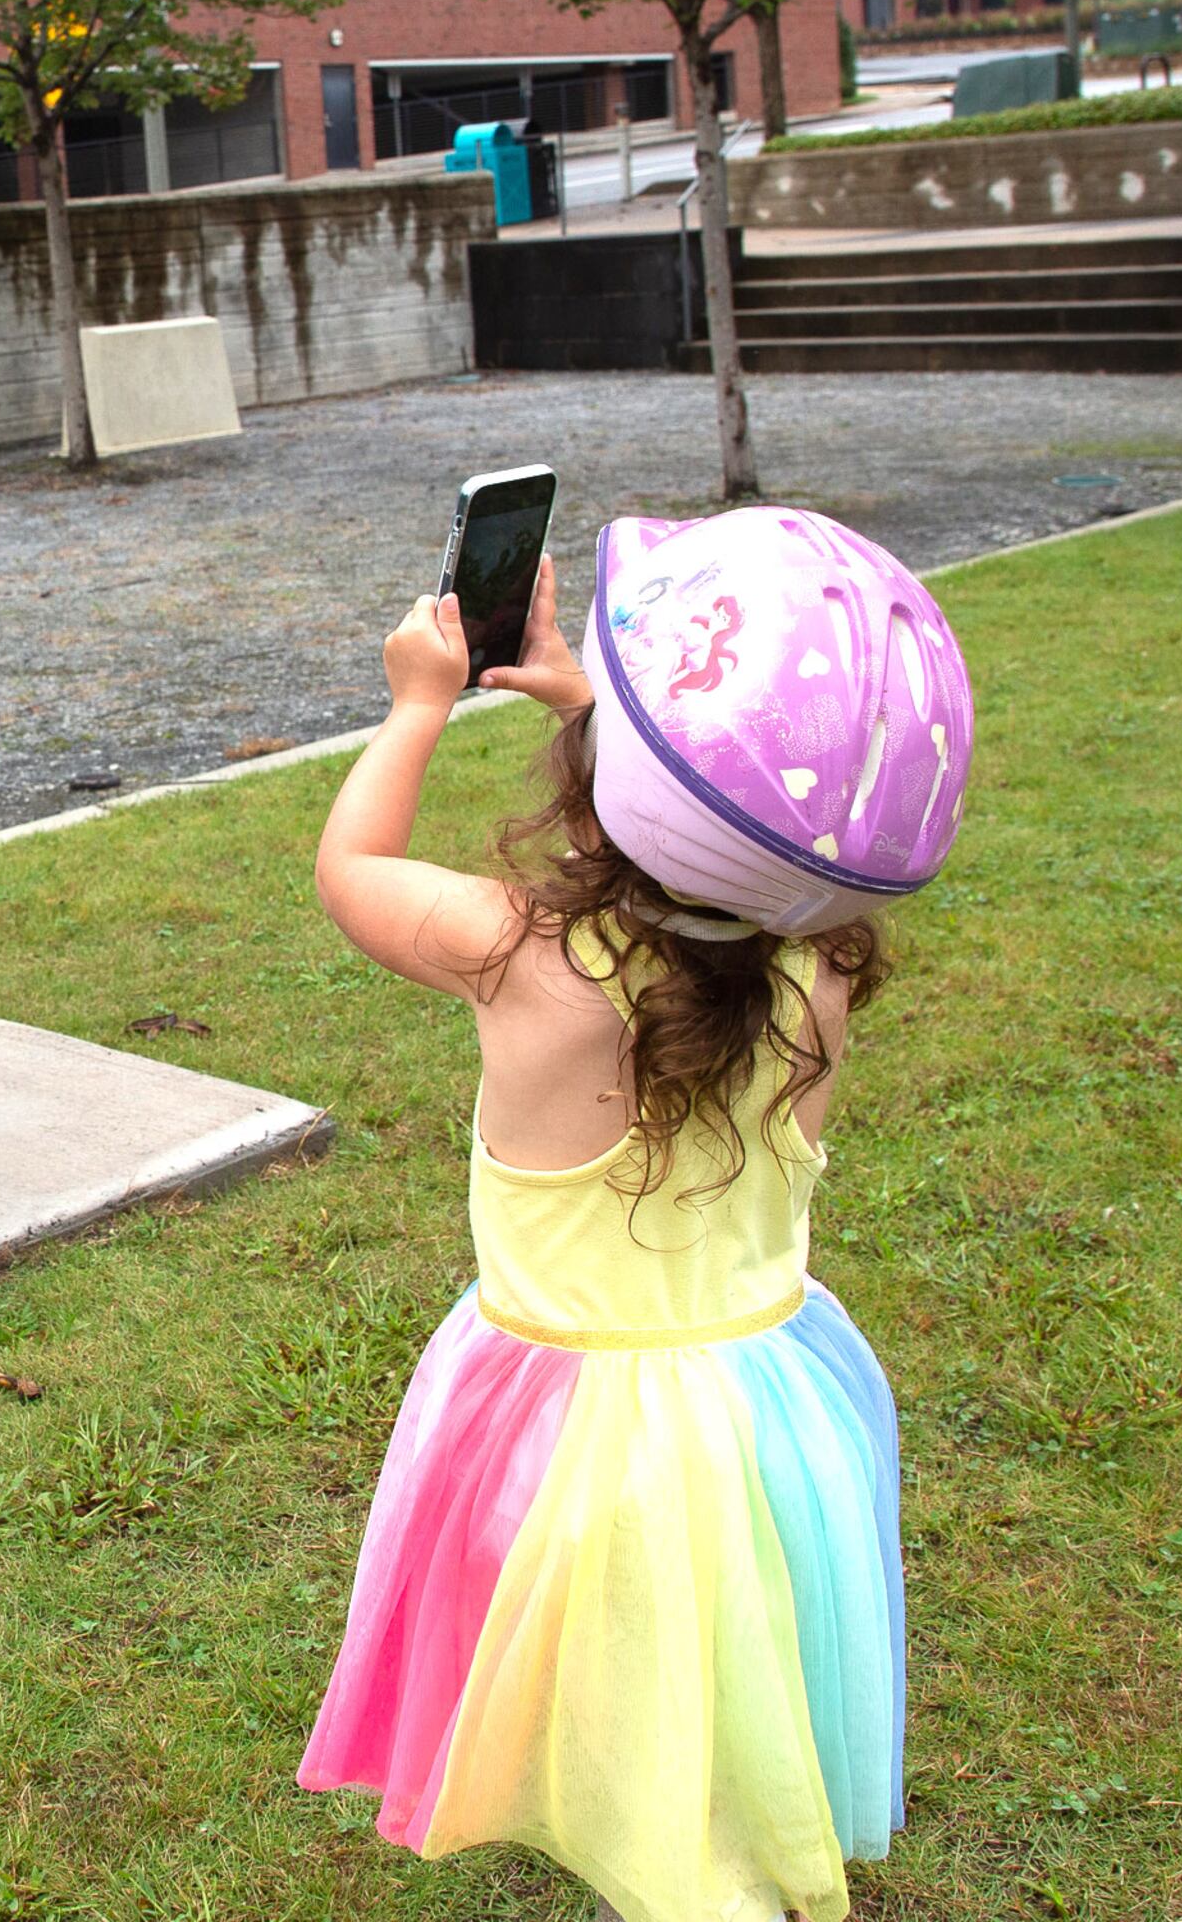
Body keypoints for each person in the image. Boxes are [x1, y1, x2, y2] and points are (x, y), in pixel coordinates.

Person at [296, 507, 976, 1922]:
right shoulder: (821, 972)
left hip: (565, 1441)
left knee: (616, 1692)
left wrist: (419, 705)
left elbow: (350, 870)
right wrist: (588, 694)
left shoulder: (521, 951)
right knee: (723, 1682)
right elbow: (739, 849)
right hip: (770, 1418)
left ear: (618, 795)